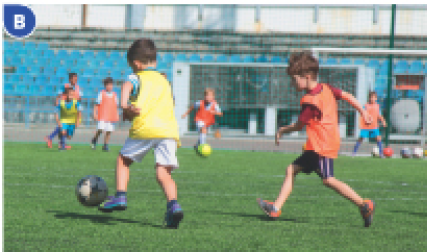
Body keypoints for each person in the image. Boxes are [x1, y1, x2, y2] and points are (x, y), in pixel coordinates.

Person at [256, 51, 376, 228]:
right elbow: (348, 95)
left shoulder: (310, 101)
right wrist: (363, 111)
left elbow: (298, 126)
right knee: (291, 169)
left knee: (328, 180)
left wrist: (282, 130)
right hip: (319, 145)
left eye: (294, 79)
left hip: (322, 146)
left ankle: (365, 205)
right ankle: (275, 208)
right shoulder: (326, 88)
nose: (292, 83)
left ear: (306, 77)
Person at [98, 39, 184, 229]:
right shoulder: (164, 80)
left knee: (123, 160)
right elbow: (170, 103)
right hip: (168, 131)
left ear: (136, 64)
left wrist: (124, 105)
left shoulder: (138, 76)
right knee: (163, 173)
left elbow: (127, 85)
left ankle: (120, 196)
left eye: (132, 66)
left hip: (146, 128)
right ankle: (173, 205)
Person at [44, 73, 83, 149]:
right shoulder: (65, 86)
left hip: (73, 109)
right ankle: (55, 140)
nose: (76, 80)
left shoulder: (78, 87)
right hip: (65, 107)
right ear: (70, 79)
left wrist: (77, 102)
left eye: (76, 79)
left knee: (68, 132)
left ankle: (57, 140)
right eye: (74, 79)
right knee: (62, 125)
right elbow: (59, 94)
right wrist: (57, 101)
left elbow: (80, 97)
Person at [352, 91, 387, 157]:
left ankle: (381, 154)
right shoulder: (366, 106)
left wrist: (383, 121)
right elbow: (362, 115)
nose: (372, 99)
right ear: (369, 98)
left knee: (378, 138)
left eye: (373, 97)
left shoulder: (377, 106)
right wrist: (360, 124)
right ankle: (354, 152)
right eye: (371, 97)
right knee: (361, 138)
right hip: (366, 126)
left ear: (376, 98)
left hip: (374, 126)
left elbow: (379, 115)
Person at [91, 77, 119, 152]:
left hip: (111, 116)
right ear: (105, 86)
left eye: (111, 85)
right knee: (100, 129)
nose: (109, 86)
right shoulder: (101, 93)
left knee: (109, 131)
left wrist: (117, 115)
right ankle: (94, 139)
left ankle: (105, 145)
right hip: (102, 115)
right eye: (108, 85)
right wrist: (94, 113)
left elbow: (116, 106)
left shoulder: (114, 95)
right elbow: (96, 104)